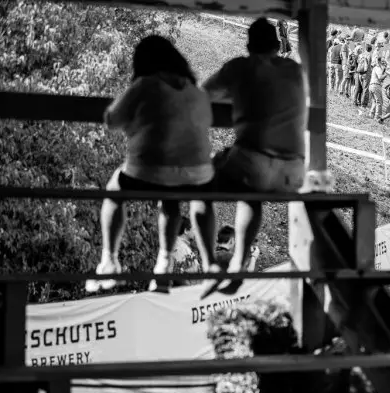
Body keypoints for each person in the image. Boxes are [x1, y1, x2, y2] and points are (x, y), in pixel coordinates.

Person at [85, 35, 215, 295]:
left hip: (151, 170)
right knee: (170, 200)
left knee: (114, 191)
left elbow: (113, 119)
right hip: (197, 175)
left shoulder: (146, 84)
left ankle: (109, 260)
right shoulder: (196, 91)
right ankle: (163, 267)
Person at [200, 18, 306, 298]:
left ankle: (211, 265)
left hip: (253, 163)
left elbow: (202, 97)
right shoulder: (294, 70)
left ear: (248, 45)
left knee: (200, 187)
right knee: (251, 195)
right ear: (277, 44)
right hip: (294, 173)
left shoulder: (239, 68)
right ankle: (238, 262)